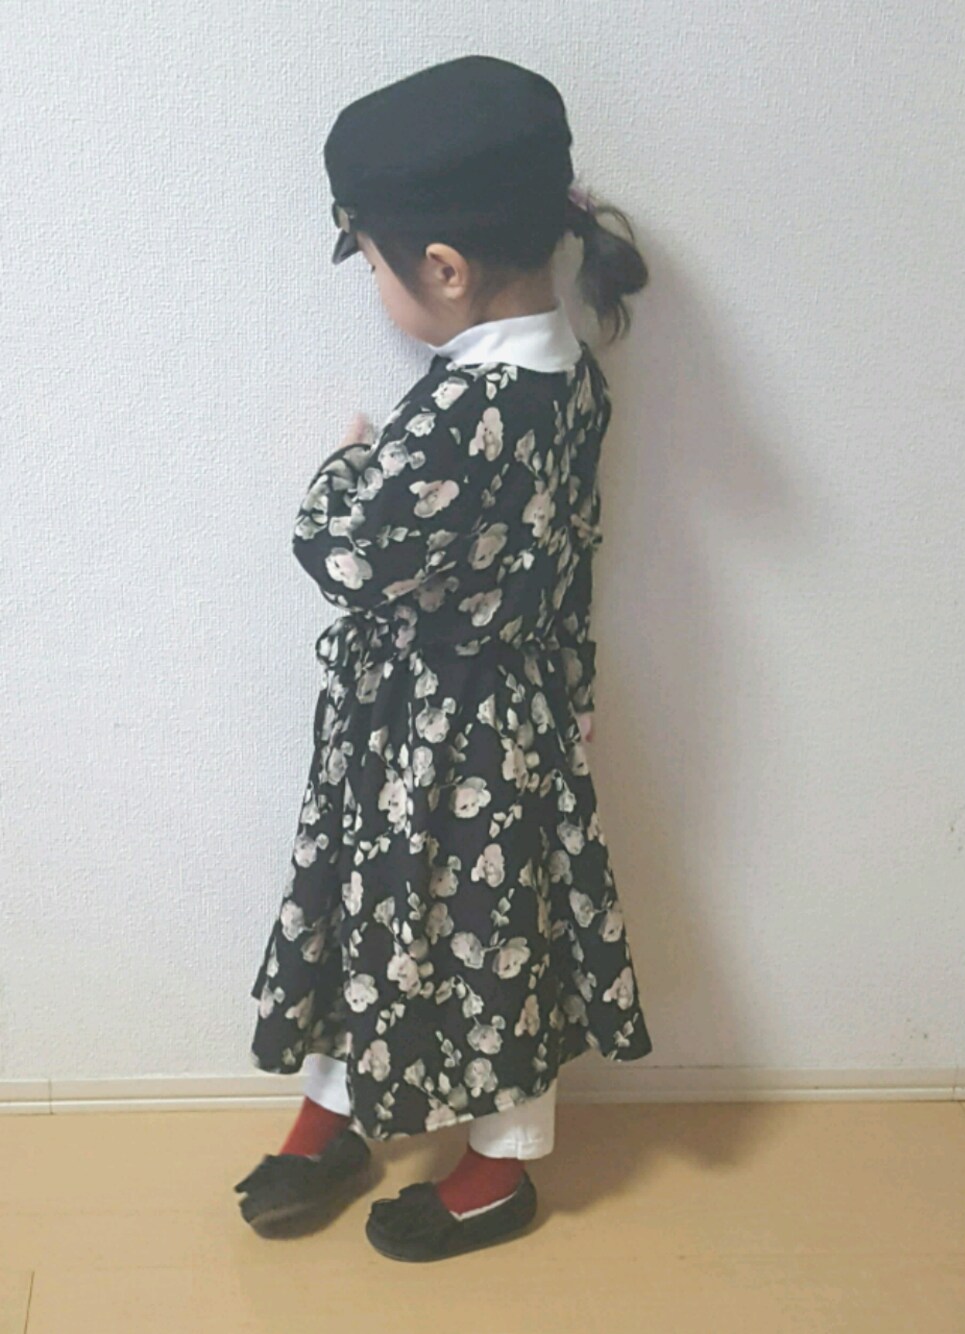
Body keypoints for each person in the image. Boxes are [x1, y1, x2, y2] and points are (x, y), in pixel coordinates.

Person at [234, 53, 654, 1262]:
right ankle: (337, 1107)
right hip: (475, 717)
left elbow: (347, 555)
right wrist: (572, 691)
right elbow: (572, 547)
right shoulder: (565, 374)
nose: (373, 286)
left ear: (445, 268)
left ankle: (496, 1170)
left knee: (481, 936)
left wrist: (341, 466)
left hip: (447, 732)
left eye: (370, 263)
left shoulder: (469, 411)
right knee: (434, 922)